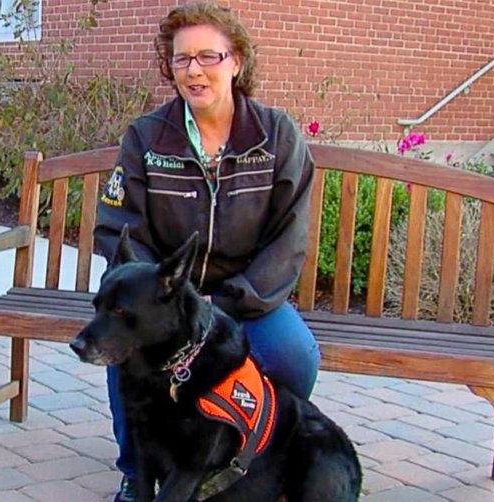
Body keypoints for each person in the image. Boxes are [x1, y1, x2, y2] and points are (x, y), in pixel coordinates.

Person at [93, 3, 321, 500]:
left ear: (236, 61)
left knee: (294, 355)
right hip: (167, 298)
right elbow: (119, 229)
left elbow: (289, 239)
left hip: (246, 297)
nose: (193, 70)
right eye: (181, 59)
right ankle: (137, 472)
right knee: (128, 347)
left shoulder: (276, 136)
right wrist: (156, 296)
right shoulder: (147, 137)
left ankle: (253, 456)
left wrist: (231, 301)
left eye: (208, 57)